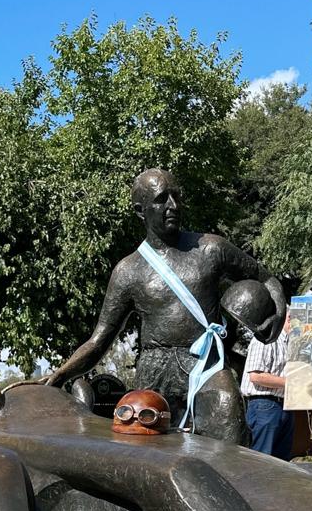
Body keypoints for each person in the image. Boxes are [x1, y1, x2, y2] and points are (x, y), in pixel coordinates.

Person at [45, 168, 286, 445]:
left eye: (176, 197)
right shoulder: (128, 271)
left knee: (228, 428)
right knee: (145, 449)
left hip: (205, 364)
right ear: (140, 210)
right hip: (154, 367)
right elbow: (99, 340)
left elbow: (265, 277)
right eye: (162, 199)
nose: (173, 206)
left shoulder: (210, 248)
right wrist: (60, 375)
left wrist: (277, 316)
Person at [239, 312, 294, 460]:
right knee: (263, 459)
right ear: (287, 319)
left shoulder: (289, 343)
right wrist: (293, 383)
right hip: (265, 405)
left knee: (281, 462)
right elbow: (256, 376)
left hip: (284, 405)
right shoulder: (265, 340)